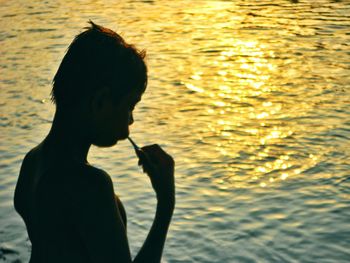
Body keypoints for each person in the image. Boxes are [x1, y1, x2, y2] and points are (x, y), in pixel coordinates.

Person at [13, 21, 175, 263]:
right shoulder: (90, 187)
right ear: (100, 102)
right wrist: (166, 204)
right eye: (130, 106)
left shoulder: (32, 162)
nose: (131, 119)